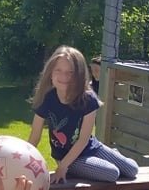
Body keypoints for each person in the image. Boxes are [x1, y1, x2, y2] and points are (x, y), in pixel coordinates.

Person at [29, 45, 138, 183]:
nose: (64, 76)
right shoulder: (47, 99)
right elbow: (35, 137)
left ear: (79, 75)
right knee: (112, 173)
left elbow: (83, 140)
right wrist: (62, 166)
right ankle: (88, 165)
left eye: (70, 72)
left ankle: (110, 156)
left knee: (132, 170)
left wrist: (62, 168)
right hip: (67, 157)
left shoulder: (88, 99)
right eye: (58, 70)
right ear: (50, 73)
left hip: (89, 147)